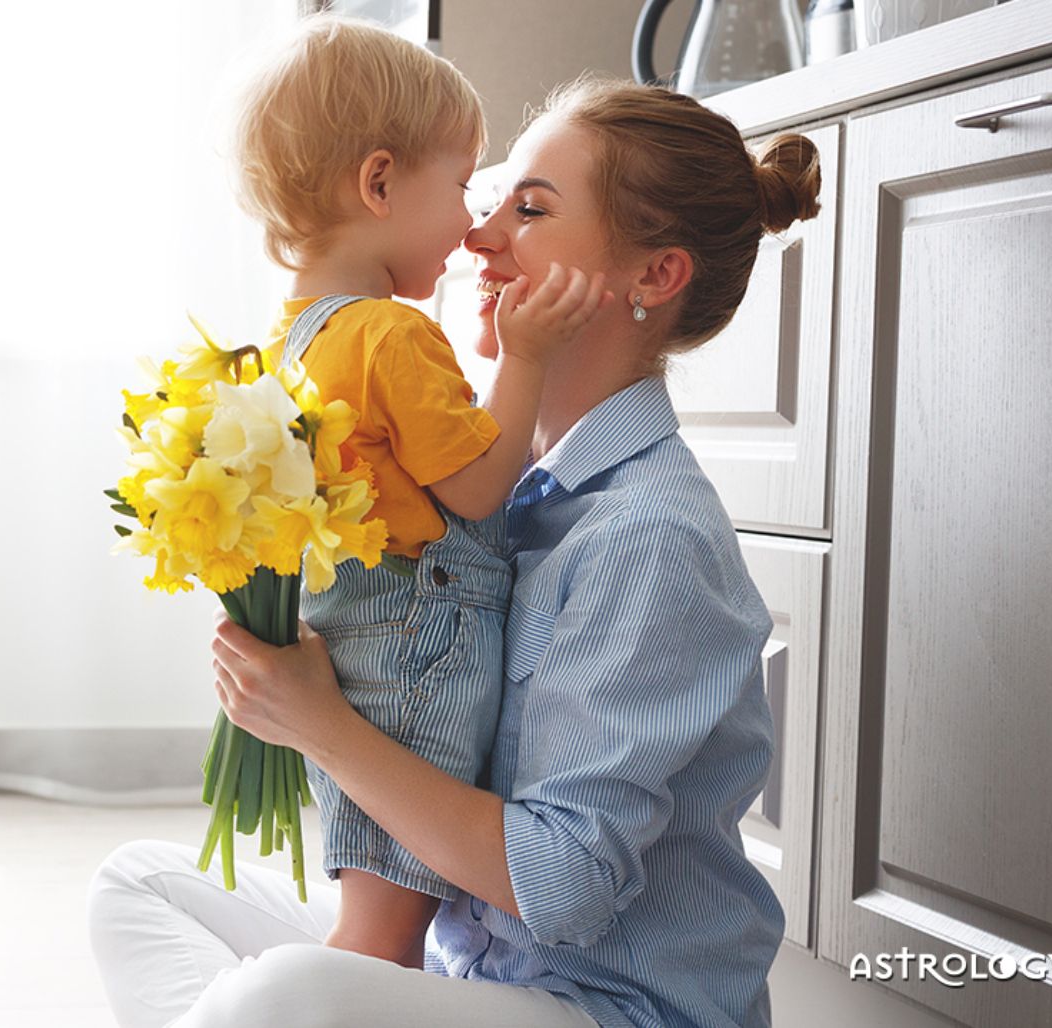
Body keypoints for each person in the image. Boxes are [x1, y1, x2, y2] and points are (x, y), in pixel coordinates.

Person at [88, 73, 821, 1028]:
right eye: (490, 200)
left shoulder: (652, 536)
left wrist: (321, 726)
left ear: (653, 276)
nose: (479, 237)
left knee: (278, 998)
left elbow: (564, 888)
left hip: (602, 1005)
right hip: (470, 970)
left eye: (531, 208)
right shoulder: (502, 488)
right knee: (136, 885)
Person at [208, 14, 608, 972]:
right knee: (383, 940)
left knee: (372, 912)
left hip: (351, 643)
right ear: (379, 183)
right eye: (463, 185)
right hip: (417, 654)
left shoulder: (281, 340)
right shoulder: (388, 335)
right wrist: (525, 361)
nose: (474, 226)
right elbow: (474, 490)